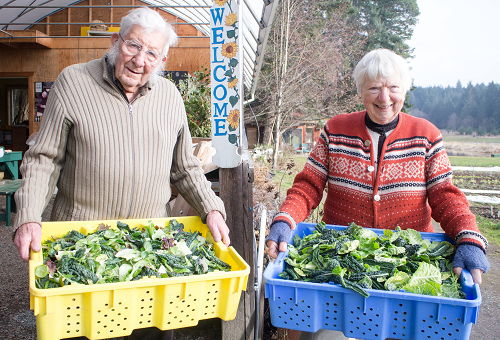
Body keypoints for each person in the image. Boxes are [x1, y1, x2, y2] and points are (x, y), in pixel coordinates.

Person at [12, 7, 229, 340]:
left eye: (152, 53)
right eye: (133, 46)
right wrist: (28, 216)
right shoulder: (73, 82)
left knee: (150, 332)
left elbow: (184, 166)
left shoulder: (170, 97)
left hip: (152, 250)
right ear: (116, 42)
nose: (140, 60)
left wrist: (211, 208)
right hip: (83, 245)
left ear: (163, 60)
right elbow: (44, 158)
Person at [266, 49, 490, 340]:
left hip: (408, 265)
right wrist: (285, 220)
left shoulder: (426, 135)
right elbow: (309, 185)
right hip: (342, 265)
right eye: (374, 88)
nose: (384, 98)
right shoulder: (335, 130)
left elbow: (445, 195)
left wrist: (468, 237)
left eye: (393, 87)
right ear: (361, 91)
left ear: (404, 90)